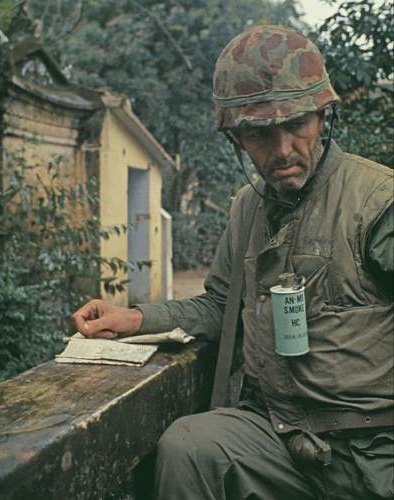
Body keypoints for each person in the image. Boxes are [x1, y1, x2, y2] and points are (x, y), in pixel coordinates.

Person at [72, 25, 393, 500]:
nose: (282, 150)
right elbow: (219, 304)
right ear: (236, 138)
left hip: (373, 447)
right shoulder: (248, 207)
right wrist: (136, 317)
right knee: (190, 448)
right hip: (278, 437)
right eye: (259, 133)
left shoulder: (376, 200)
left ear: (324, 118)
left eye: (296, 125)